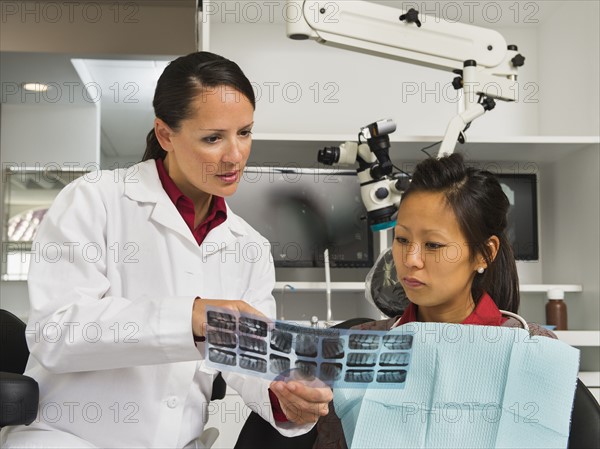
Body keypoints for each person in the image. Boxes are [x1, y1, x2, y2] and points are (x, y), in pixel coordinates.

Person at [1, 51, 332, 449]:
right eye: (213, 138)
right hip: (68, 438)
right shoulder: (95, 200)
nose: (235, 155)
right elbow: (55, 333)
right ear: (165, 134)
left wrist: (284, 396)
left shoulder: (249, 247)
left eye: (244, 132)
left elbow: (251, 360)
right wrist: (190, 316)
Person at [313, 153, 556, 449]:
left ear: (484, 253)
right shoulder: (359, 347)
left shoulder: (531, 352)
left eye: (433, 245)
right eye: (402, 240)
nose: (410, 260)